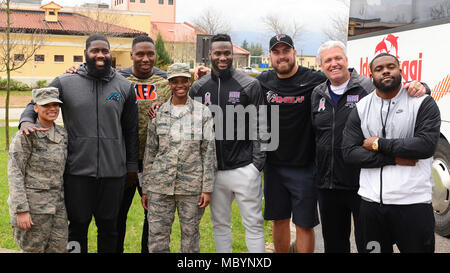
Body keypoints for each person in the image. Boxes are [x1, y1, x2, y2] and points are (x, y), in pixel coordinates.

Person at [19, 34, 139, 253]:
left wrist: (131, 167)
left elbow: (131, 131)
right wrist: (26, 120)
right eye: (95, 50)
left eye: (105, 51)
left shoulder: (124, 86)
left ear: (110, 54)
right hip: (77, 172)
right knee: (77, 228)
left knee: (110, 228)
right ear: (86, 53)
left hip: (113, 174)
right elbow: (35, 102)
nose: (100, 55)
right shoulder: (65, 82)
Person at [311, 41, 427, 253]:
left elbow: (395, 89)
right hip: (327, 184)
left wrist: (421, 86)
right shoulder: (317, 93)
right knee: (334, 245)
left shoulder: (367, 86)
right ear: (321, 65)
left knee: (369, 246)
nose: (334, 63)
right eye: (328, 60)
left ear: (346, 60)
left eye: (338, 58)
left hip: (361, 184)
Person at [63, 35, 171, 253]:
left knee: (155, 220)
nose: (145, 58)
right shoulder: (117, 79)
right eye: (139, 54)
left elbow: (186, 92)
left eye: (150, 54)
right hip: (119, 163)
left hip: (155, 163)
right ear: (130, 55)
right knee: (111, 221)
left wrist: (199, 75)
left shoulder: (167, 82)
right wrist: (77, 71)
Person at [342, 53, 440, 253]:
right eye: (379, 69)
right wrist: (395, 158)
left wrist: (378, 143)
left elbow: (425, 146)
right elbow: (349, 152)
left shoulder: (422, 103)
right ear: (371, 76)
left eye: (390, 66)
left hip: (413, 204)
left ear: (401, 71)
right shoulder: (361, 108)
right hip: (371, 206)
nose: (385, 71)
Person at [189, 34, 266, 253]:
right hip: (214, 172)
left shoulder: (250, 84)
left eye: (227, 53)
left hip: (244, 168)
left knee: (253, 223)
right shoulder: (199, 87)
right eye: (218, 53)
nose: (223, 57)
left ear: (232, 54)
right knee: (220, 224)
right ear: (209, 55)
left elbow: (261, 125)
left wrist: (255, 166)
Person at [257, 34, 326, 253]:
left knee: (304, 223)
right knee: (279, 219)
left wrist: (419, 86)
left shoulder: (315, 79)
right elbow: (232, 85)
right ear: (270, 56)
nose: (281, 56)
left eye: (285, 51)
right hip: (274, 165)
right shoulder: (262, 81)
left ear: (294, 53)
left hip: (304, 166)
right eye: (276, 52)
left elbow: (346, 79)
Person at [141, 63, 216, 253]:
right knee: (157, 238)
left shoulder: (203, 113)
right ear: (169, 83)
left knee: (190, 238)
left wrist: (207, 189)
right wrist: (146, 189)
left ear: (190, 82)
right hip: (160, 186)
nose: (179, 85)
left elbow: (208, 152)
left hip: (191, 187)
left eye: (184, 81)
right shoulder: (158, 113)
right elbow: (150, 152)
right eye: (175, 82)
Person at [8, 87, 68, 253]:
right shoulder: (25, 135)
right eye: (46, 105)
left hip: (57, 209)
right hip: (33, 209)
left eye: (55, 104)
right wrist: (21, 210)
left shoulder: (62, 134)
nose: (52, 108)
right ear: (35, 108)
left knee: (59, 249)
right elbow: (15, 174)